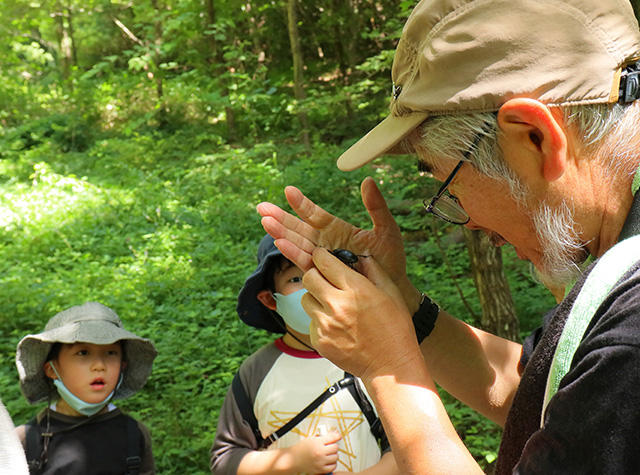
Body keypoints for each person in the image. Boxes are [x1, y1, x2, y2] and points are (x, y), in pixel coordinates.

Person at [256, 0, 640, 473]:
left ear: (535, 137)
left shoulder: (632, 340)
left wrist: (386, 367)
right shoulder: (622, 261)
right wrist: (400, 307)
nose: (465, 221)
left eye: (448, 183)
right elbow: (544, 396)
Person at [210, 235, 397, 474]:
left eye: (320, 274)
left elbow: (407, 441)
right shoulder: (256, 371)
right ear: (269, 299)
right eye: (296, 279)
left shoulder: (368, 357)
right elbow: (225, 459)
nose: (311, 286)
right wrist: (292, 459)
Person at [14, 302, 158, 474]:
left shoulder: (134, 435)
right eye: (83, 353)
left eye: (111, 353)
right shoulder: (25, 441)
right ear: (52, 369)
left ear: (123, 366)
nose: (99, 365)